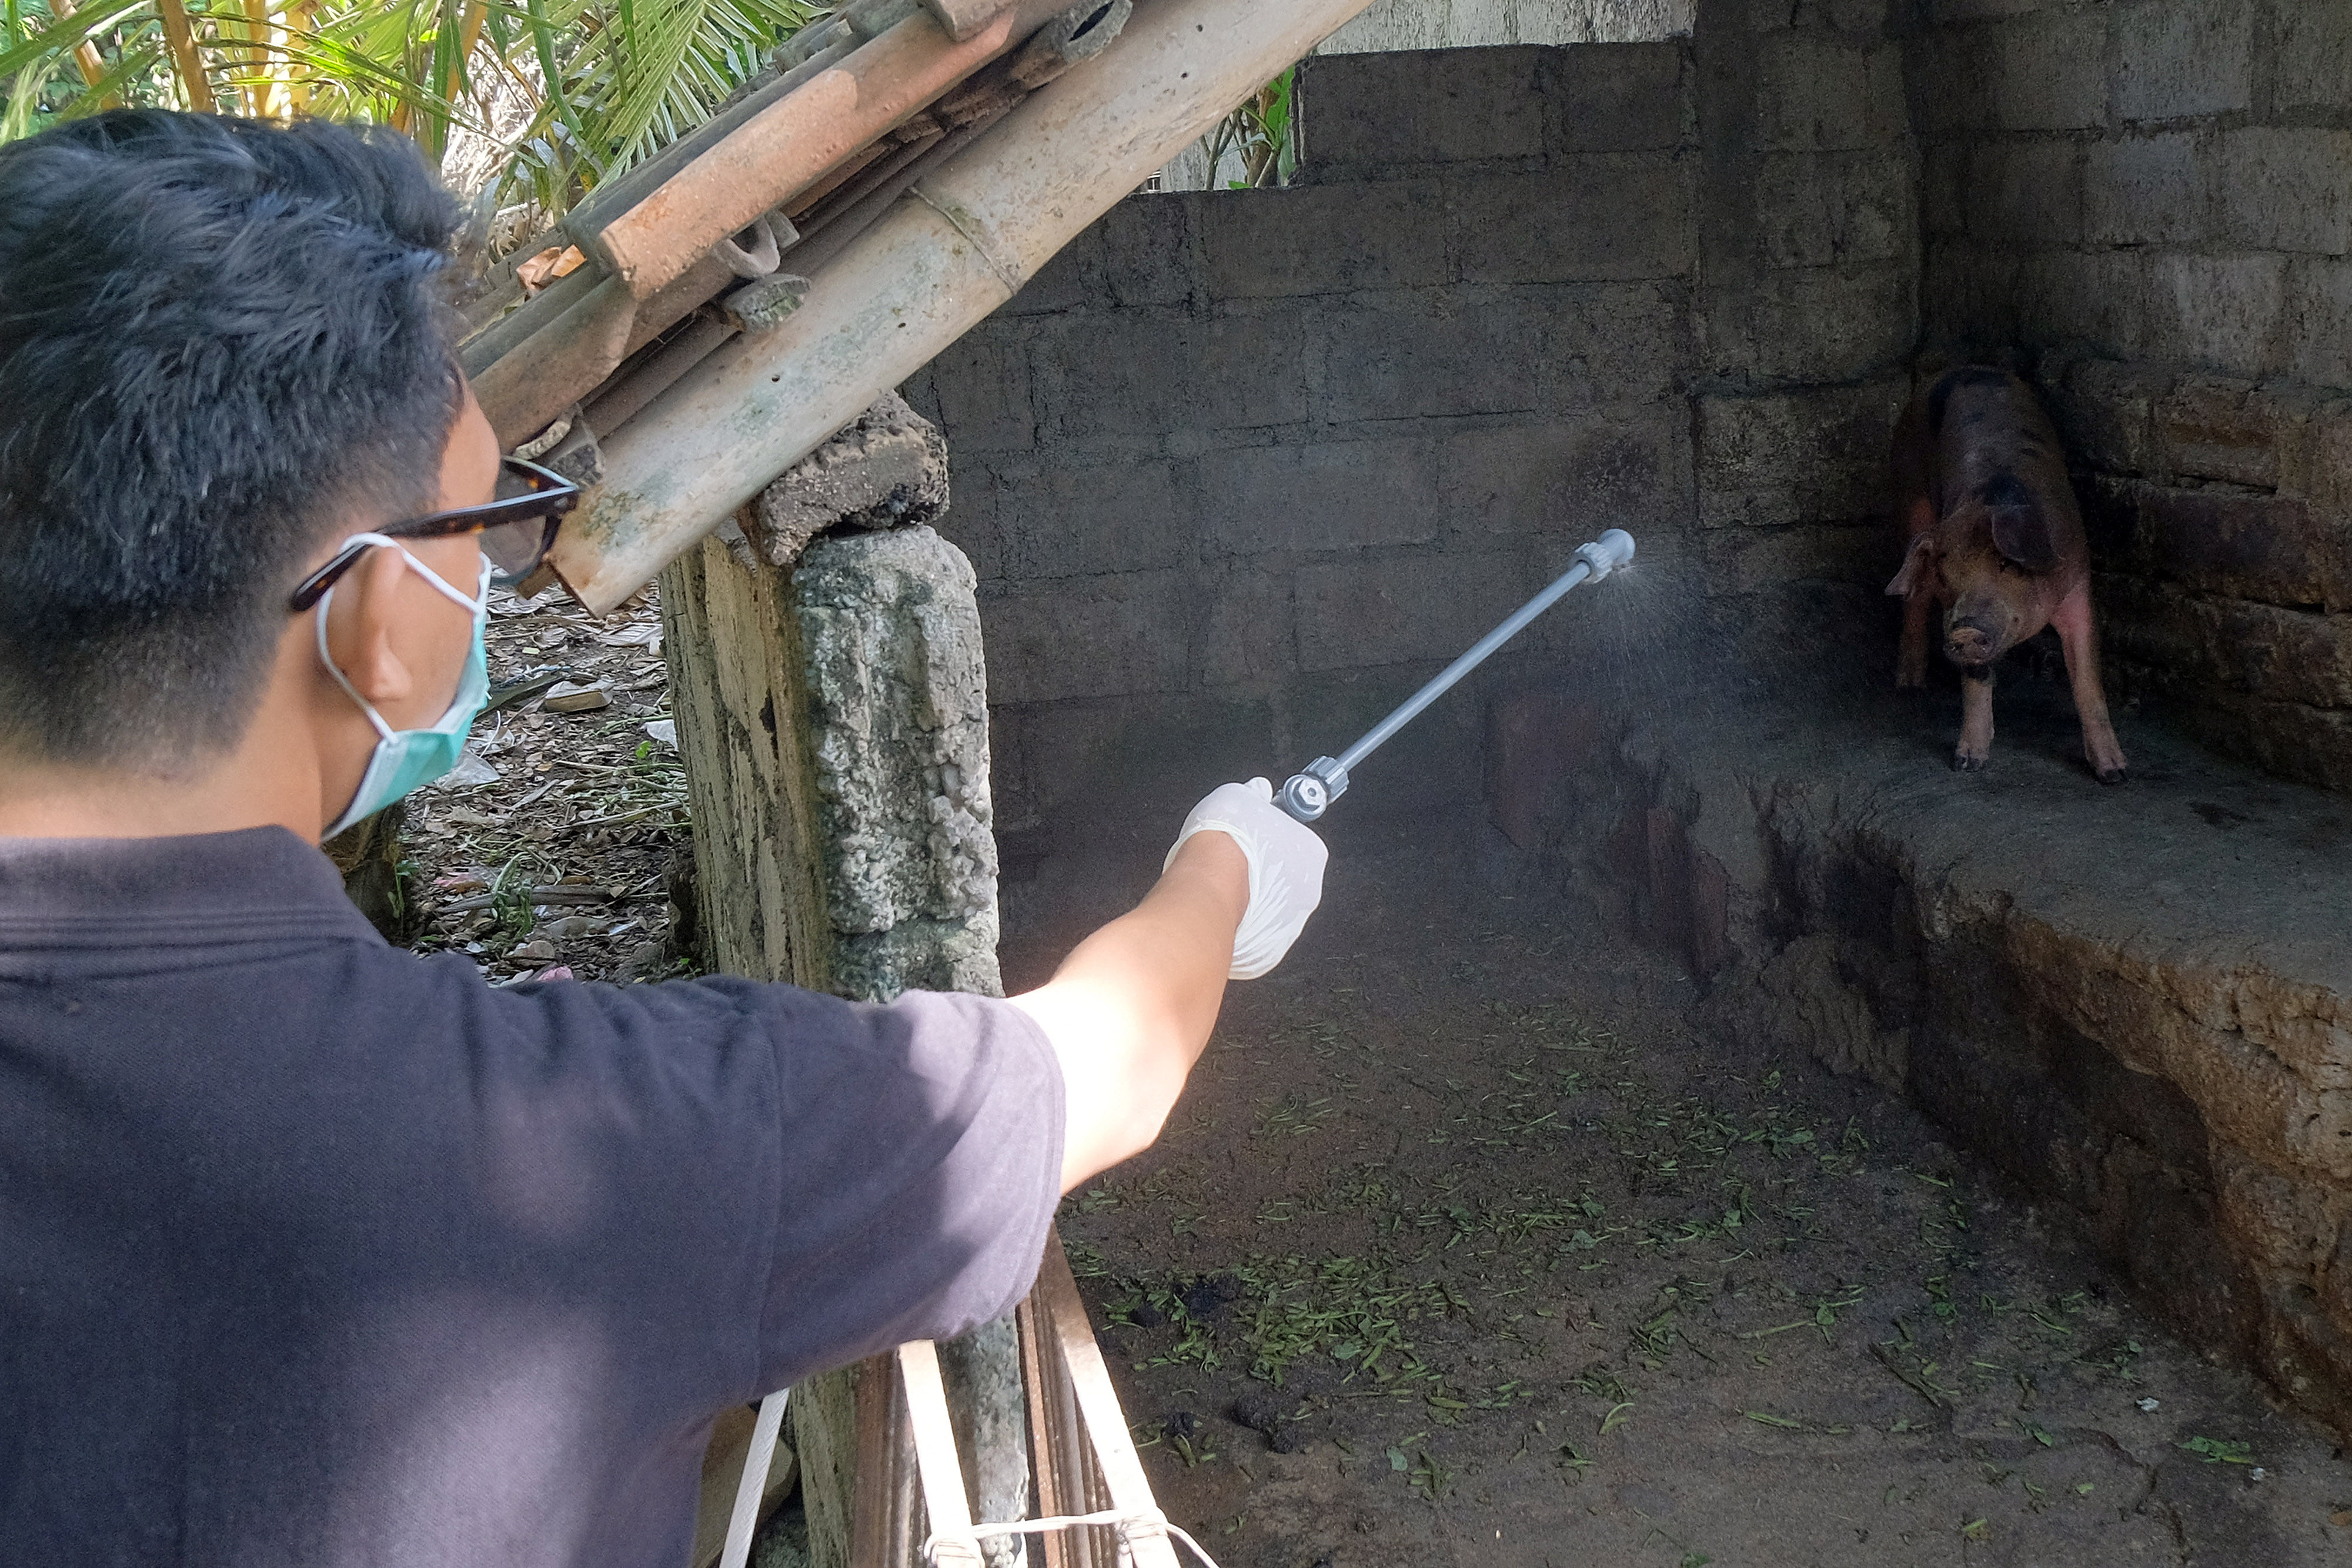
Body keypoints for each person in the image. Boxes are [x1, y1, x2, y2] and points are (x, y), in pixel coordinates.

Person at [0, 111, 1327, 1566]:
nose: (502, 567)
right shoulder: (603, 1151)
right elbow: (1103, 1066)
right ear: (377, 620)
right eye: (487, 524)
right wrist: (1227, 866)